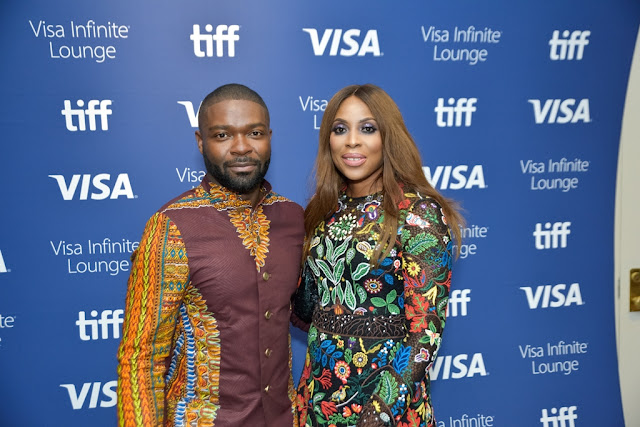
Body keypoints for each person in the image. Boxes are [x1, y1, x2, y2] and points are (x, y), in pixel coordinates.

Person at [117, 83, 305, 426]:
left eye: (255, 133)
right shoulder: (172, 225)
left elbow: (307, 312)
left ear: (269, 137)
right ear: (201, 142)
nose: (241, 147)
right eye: (222, 135)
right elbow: (141, 357)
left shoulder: (293, 218)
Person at [293, 84, 463, 427]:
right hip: (317, 399)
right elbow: (307, 308)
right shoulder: (322, 209)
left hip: (386, 404)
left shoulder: (418, 214)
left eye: (367, 128)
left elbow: (425, 332)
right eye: (340, 129)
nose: (352, 141)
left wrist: (381, 412)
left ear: (389, 137)